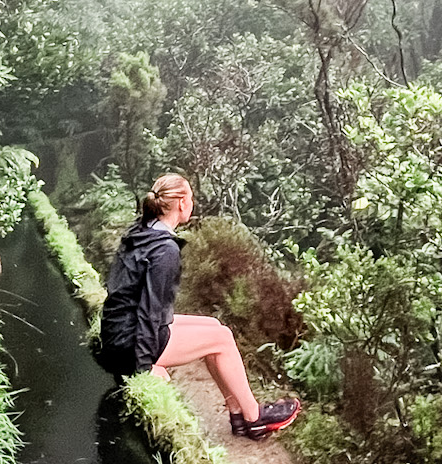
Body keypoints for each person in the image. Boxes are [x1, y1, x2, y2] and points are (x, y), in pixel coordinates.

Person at [96, 174, 301, 440]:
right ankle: (254, 417)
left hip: (117, 331)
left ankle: (237, 413)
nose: (192, 203)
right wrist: (144, 366)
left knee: (215, 327)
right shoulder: (165, 250)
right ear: (181, 204)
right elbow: (150, 311)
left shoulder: (142, 231)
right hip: (129, 342)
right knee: (223, 338)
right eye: (190, 198)